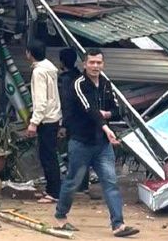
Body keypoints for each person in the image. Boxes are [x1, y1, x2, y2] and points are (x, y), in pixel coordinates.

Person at [54, 49, 139, 237]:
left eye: (98, 63)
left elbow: (117, 110)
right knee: (72, 182)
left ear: (103, 65)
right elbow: (89, 109)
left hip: (102, 145)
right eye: (91, 62)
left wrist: (107, 115)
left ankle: (118, 225)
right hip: (81, 142)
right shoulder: (79, 84)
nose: (95, 66)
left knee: (110, 182)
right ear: (84, 64)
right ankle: (61, 215)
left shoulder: (106, 85)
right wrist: (106, 127)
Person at [25, 39, 62, 203]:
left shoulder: (39, 72)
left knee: (48, 156)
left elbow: (41, 100)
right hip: (53, 117)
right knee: (50, 155)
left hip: (46, 119)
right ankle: (52, 189)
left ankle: (54, 192)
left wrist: (34, 123)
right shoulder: (50, 68)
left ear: (29, 54)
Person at [57, 48, 90, 194]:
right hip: (85, 120)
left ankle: (78, 185)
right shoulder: (80, 76)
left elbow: (67, 104)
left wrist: (64, 125)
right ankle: (83, 184)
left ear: (62, 62)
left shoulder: (66, 80)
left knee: (75, 153)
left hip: (73, 121)